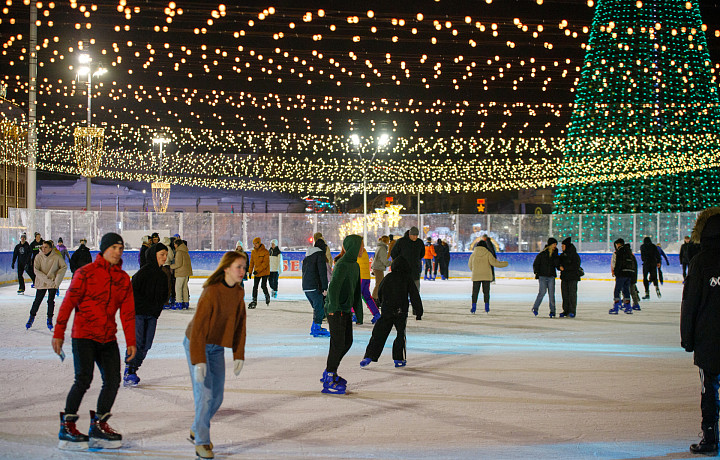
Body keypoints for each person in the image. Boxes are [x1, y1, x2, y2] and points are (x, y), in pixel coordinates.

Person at [52, 232, 136, 451]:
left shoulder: (123, 278)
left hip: (108, 337)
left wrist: (131, 341)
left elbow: (127, 313)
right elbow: (68, 303)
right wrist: (59, 332)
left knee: (113, 380)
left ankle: (99, 423)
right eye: (114, 247)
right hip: (84, 336)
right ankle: (67, 425)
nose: (118, 252)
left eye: (121, 248)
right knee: (83, 379)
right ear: (104, 249)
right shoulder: (85, 273)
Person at [184, 251, 247, 460]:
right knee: (205, 395)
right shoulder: (211, 291)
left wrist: (239, 354)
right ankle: (201, 441)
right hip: (196, 343)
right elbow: (199, 329)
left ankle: (196, 427)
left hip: (217, 347)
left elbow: (240, 326)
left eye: (244, 267)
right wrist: (199, 360)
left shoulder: (238, 293)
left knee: (217, 397)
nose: (242, 270)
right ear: (226, 268)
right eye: (238, 266)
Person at [680, 207, 720, 455]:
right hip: (709, 337)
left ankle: (710, 437)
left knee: (709, 389)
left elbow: (690, 303)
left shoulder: (700, 261)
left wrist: (688, 339)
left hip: (709, 338)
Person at [360, 256, 423, 368]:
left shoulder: (388, 277)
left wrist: (381, 302)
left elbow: (380, 290)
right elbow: (414, 295)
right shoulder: (407, 278)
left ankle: (369, 355)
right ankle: (398, 359)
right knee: (400, 334)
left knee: (379, 333)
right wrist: (418, 311)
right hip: (401, 311)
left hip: (387, 309)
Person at [123, 243, 170, 387]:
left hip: (152, 315)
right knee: (137, 342)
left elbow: (164, 295)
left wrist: (156, 310)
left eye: (166, 255)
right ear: (154, 255)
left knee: (146, 344)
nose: (164, 257)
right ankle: (129, 371)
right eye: (162, 254)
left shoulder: (163, 275)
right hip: (137, 313)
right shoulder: (143, 273)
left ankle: (133, 369)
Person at [321, 234, 363, 395]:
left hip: (345, 310)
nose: (363, 249)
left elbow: (357, 291)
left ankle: (330, 371)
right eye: (361, 246)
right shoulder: (342, 264)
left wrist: (358, 313)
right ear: (353, 247)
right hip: (335, 310)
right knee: (338, 344)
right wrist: (332, 307)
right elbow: (334, 288)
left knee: (347, 342)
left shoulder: (355, 266)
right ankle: (330, 377)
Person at [26, 240, 67, 331]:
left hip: (52, 283)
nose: (43, 249)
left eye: (45, 247)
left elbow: (63, 267)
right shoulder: (38, 257)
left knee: (50, 301)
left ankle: (49, 319)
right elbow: (36, 271)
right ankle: (31, 318)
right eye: (42, 247)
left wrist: (57, 281)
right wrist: (48, 281)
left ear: (50, 248)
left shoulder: (56, 257)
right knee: (37, 300)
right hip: (42, 282)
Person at [468, 240, 508, 314]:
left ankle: (473, 307)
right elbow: (494, 263)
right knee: (486, 292)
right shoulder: (488, 253)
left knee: (475, 292)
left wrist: (475, 271)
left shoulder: (473, 254)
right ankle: (486, 307)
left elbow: (470, 265)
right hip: (486, 276)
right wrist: (505, 263)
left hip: (476, 276)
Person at [302, 238, 331, 337]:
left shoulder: (308, 256)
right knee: (319, 307)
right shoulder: (320, 255)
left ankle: (315, 326)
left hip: (306, 286)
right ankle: (317, 328)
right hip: (314, 286)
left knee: (317, 307)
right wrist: (324, 287)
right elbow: (322, 273)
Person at [390, 226, 425, 293]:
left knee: (415, 286)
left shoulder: (419, 242)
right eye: (413, 235)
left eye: (416, 235)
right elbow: (393, 253)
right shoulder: (401, 241)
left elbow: (422, 254)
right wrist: (399, 262)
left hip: (415, 269)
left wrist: (416, 260)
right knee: (403, 286)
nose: (415, 237)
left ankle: (414, 300)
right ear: (409, 235)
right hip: (403, 269)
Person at [532, 238, 559, 317]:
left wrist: (556, 255)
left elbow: (557, 264)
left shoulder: (555, 255)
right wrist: (537, 273)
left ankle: (553, 311)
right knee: (542, 293)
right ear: (550, 244)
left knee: (551, 294)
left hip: (551, 277)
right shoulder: (542, 254)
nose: (555, 246)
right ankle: (535, 308)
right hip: (543, 276)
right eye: (554, 244)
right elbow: (536, 264)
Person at [610, 238, 637, 315]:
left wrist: (616, 272)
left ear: (619, 244)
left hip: (622, 273)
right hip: (629, 273)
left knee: (617, 290)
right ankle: (628, 307)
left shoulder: (620, 251)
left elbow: (618, 263)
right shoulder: (629, 251)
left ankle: (616, 306)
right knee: (626, 290)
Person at [558, 237, 582, 318]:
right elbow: (558, 263)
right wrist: (559, 267)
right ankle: (565, 310)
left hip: (573, 278)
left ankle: (572, 311)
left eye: (563, 246)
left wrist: (565, 268)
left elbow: (575, 266)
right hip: (564, 278)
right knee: (565, 295)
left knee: (572, 295)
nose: (562, 247)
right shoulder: (562, 255)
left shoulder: (575, 256)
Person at [358, 242, 381, 324]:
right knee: (367, 297)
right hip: (366, 277)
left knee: (356, 297)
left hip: (360, 278)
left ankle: (354, 314)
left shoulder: (357, 252)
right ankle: (376, 313)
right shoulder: (364, 252)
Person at [248, 237, 271, 309]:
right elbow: (251, 262)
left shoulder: (265, 252)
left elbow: (265, 263)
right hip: (256, 272)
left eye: (256, 243)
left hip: (264, 272)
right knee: (255, 287)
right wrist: (250, 271)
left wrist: (257, 270)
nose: (255, 245)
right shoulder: (253, 252)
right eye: (253, 244)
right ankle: (254, 300)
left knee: (263, 286)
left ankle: (267, 295)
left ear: (259, 243)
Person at [171, 238, 193, 310]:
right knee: (184, 288)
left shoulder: (179, 252)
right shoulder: (185, 251)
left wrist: (170, 266)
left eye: (174, 244)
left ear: (177, 244)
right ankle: (186, 303)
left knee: (178, 288)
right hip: (186, 272)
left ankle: (178, 303)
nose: (174, 245)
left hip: (180, 272)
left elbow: (178, 264)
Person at [371, 236, 390, 302]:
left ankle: (376, 298)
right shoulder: (382, 248)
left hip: (377, 267)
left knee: (379, 283)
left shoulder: (380, 247)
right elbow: (383, 260)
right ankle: (374, 298)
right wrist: (391, 263)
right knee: (379, 284)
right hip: (378, 267)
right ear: (387, 241)